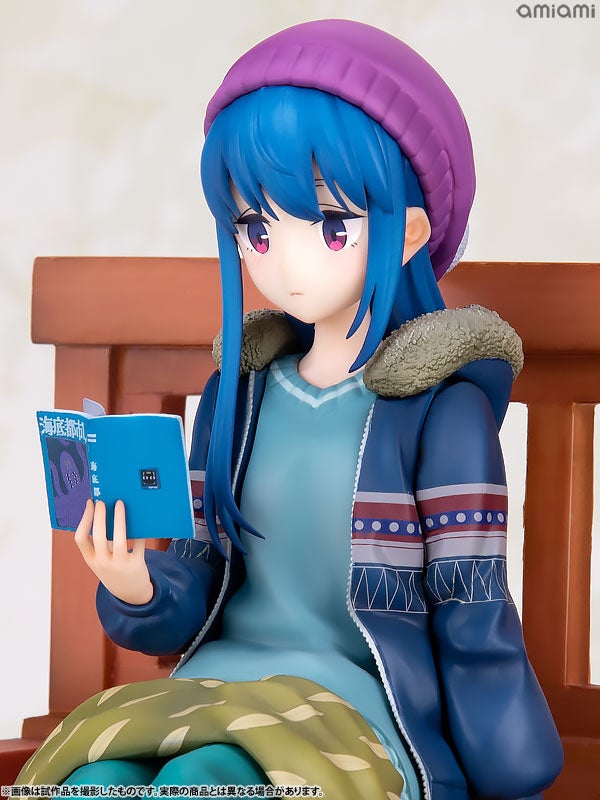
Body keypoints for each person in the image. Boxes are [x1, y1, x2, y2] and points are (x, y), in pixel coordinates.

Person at [19, 19, 563, 800]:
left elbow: (472, 610)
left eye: (332, 225)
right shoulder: (239, 398)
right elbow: (200, 579)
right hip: (211, 689)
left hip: (352, 711)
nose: (285, 259)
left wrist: (509, 769)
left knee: (205, 779)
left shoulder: (440, 415)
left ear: (409, 231)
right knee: (99, 776)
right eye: (254, 225)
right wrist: (136, 582)